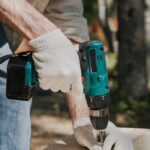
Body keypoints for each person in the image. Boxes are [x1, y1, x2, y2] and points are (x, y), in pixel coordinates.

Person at [0, 0, 133, 150]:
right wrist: (46, 36)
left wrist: (83, 120)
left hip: (13, 34)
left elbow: (69, 25)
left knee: (16, 81)